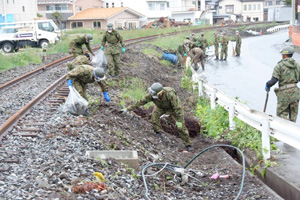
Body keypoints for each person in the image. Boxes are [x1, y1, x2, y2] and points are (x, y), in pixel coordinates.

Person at [123, 83, 193, 151]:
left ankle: (188, 144)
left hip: (173, 109)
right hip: (161, 107)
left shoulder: (170, 95)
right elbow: (141, 102)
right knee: (154, 116)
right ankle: (158, 131)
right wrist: (127, 109)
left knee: (180, 127)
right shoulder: (152, 95)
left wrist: (179, 121)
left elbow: (178, 108)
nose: (152, 95)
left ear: (160, 93)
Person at [265, 46, 300, 122]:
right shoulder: (297, 65)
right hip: (295, 93)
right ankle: (291, 132)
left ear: (284, 55)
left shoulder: (280, 66)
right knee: (293, 117)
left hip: (284, 94)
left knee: (281, 115)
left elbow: (274, 80)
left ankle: (283, 131)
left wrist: (268, 85)